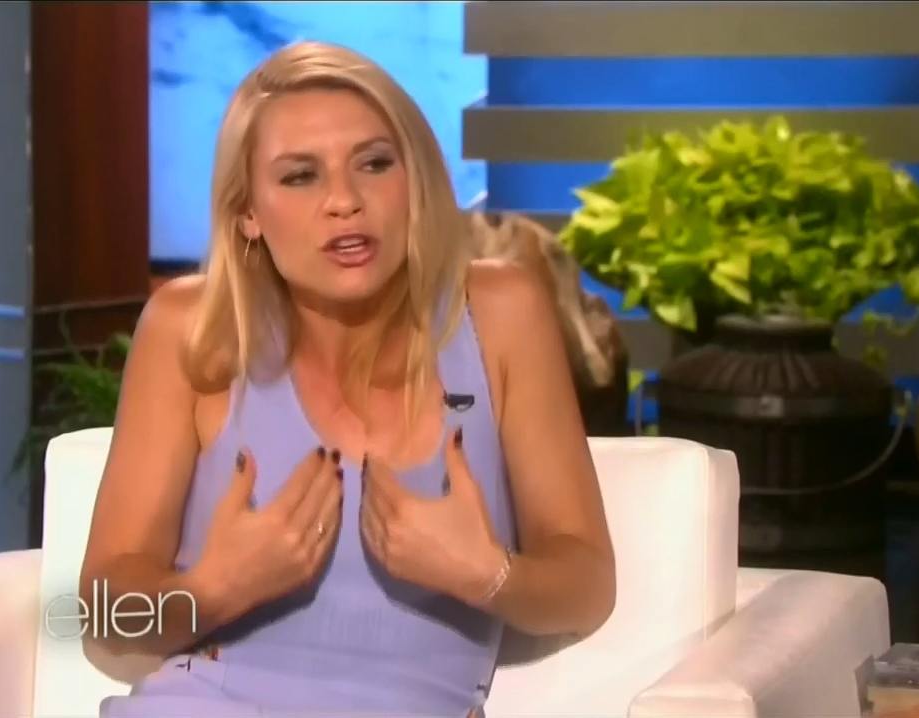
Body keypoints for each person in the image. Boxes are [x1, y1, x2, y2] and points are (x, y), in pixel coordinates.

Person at [81, 40, 616, 717]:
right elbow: (100, 616)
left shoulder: (501, 313)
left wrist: (488, 575)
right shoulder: (193, 328)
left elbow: (587, 585)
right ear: (248, 212)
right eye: (300, 176)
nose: (345, 200)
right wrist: (211, 591)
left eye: (374, 163)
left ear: (414, 180)